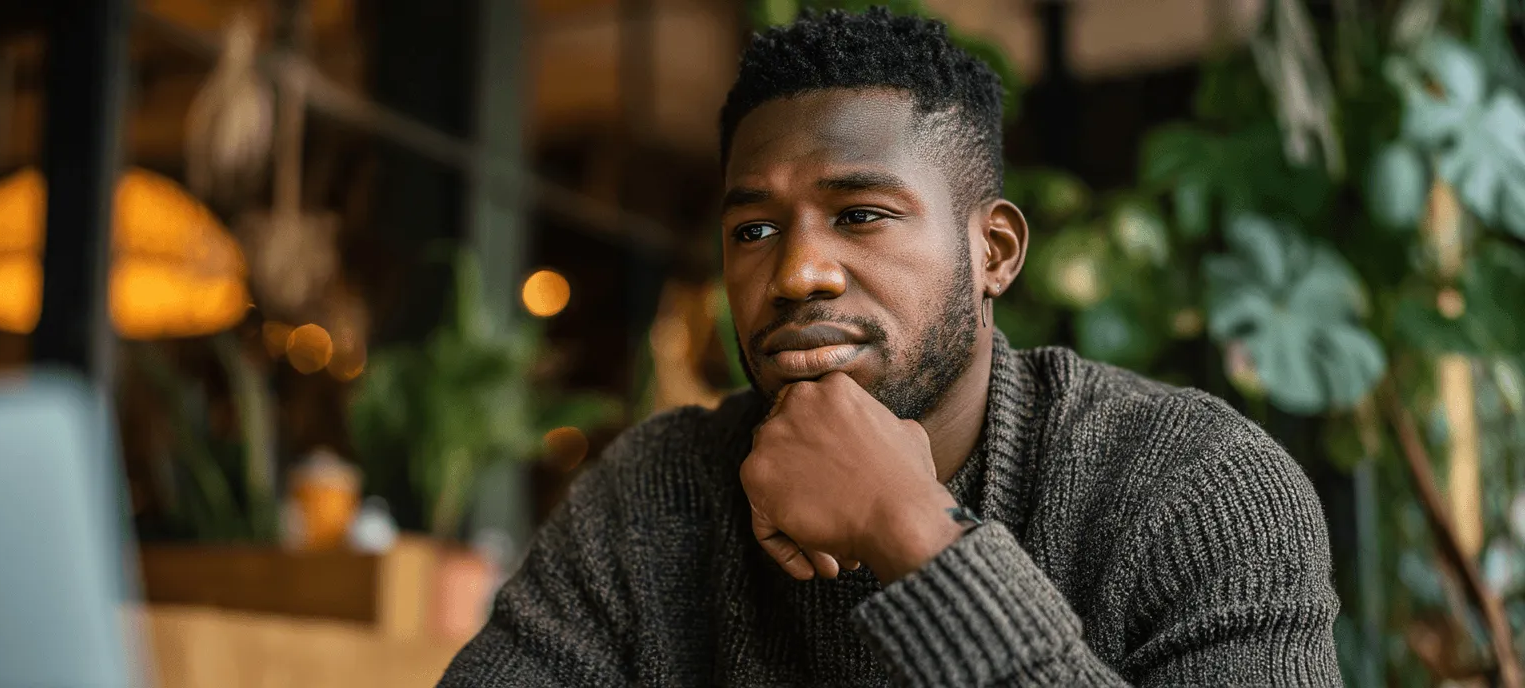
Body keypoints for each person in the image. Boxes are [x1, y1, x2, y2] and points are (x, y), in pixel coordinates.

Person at [441, 8, 1339, 686]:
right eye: (754, 230)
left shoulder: (1196, 486)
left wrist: (910, 529)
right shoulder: (655, 494)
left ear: (994, 252)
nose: (797, 273)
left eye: (860, 215)